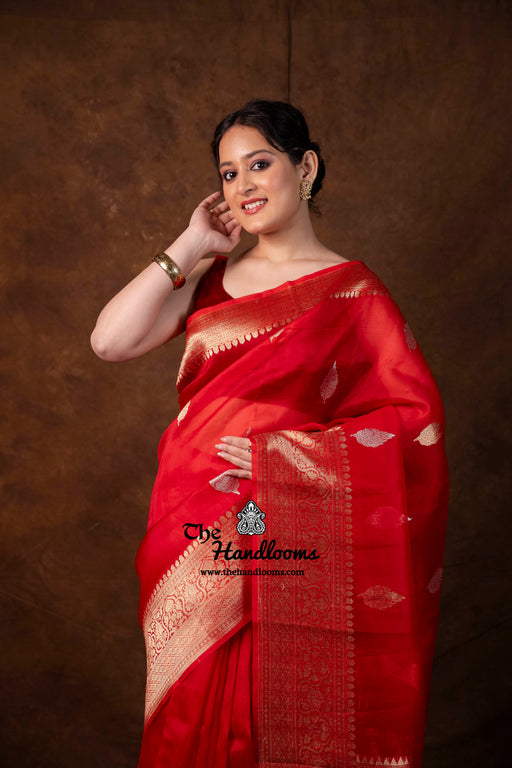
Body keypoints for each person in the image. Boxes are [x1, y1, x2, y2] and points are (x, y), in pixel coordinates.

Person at [91, 99, 449, 768]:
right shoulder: (211, 277)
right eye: (228, 174)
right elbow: (110, 342)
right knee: (190, 708)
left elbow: (412, 428)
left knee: (266, 713)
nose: (243, 186)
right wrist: (191, 245)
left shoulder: (354, 294)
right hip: (190, 520)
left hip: (286, 529)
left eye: (259, 164)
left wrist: (286, 459)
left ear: (305, 167)